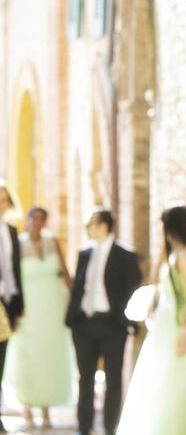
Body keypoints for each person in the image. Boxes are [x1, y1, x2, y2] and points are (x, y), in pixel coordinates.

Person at [116, 204, 186, 435]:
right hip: (164, 326)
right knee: (158, 382)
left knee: (177, 383)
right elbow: (154, 279)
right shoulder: (172, 253)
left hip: (180, 326)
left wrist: (184, 332)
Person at [66, 208, 141, 435]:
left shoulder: (125, 255)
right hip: (84, 324)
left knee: (113, 381)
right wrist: (72, 318)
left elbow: (132, 288)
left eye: (91, 223)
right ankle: (84, 427)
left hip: (112, 325)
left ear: (104, 226)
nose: (87, 228)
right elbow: (79, 287)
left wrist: (127, 320)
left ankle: (110, 428)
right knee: (85, 379)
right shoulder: (85, 253)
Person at [5, 206, 73, 429]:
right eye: (35, 218)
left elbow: (65, 274)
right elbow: (11, 275)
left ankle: (45, 410)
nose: (38, 223)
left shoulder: (53, 243)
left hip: (52, 308)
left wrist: (75, 302)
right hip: (29, 310)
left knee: (49, 355)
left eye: (43, 219)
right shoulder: (18, 244)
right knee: (28, 355)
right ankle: (27, 409)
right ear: (28, 220)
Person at [0, 181, 24, 433]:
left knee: (1, 358)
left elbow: (14, 270)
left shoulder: (10, 230)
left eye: (4, 198)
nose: (1, 203)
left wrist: (19, 305)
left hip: (6, 302)